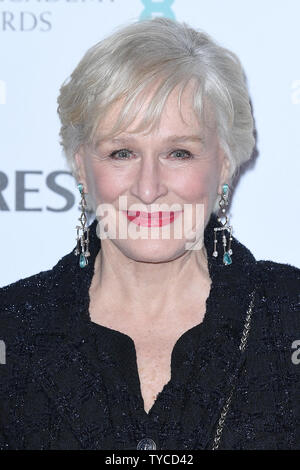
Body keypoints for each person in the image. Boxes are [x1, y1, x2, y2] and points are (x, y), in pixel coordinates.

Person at [0, 17, 299, 451]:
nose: (148, 187)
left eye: (179, 153)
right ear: (81, 165)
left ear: (227, 163)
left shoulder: (288, 315)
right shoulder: (12, 328)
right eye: (122, 152)